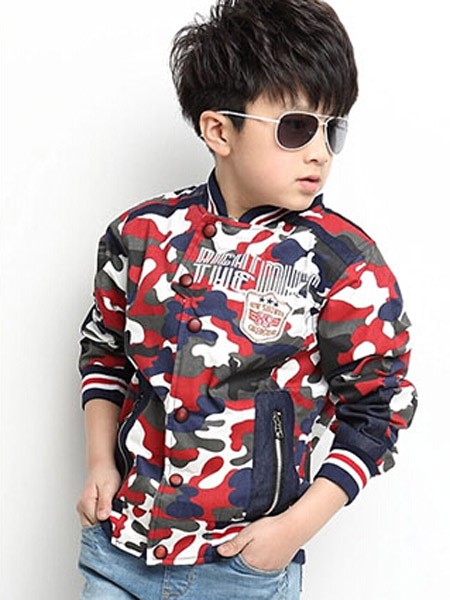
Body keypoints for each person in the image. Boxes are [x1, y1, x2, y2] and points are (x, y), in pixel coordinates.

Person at [76, 1, 418, 598]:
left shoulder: (343, 262)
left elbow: (381, 407)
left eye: (332, 128)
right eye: (296, 127)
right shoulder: (140, 234)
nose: (319, 151)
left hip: (240, 569)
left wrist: (288, 534)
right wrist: (100, 465)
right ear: (219, 131)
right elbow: (104, 352)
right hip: (119, 548)